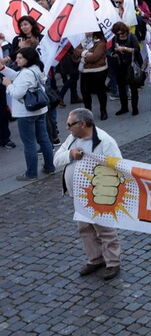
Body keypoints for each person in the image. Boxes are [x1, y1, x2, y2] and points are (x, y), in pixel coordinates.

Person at [53, 108, 123, 280]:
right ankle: (95, 259)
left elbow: (119, 167)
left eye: (70, 124)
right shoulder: (72, 139)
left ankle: (113, 262)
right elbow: (56, 160)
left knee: (105, 229)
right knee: (85, 228)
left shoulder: (105, 142)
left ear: (82, 124)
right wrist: (70, 154)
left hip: (99, 194)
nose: (67, 128)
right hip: (79, 195)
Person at [0, 47, 56, 180]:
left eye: (20, 58)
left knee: (29, 143)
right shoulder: (36, 68)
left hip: (26, 113)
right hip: (40, 110)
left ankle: (31, 173)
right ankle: (49, 167)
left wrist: (8, 85)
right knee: (43, 139)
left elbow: (18, 92)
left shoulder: (26, 73)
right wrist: (3, 69)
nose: (16, 60)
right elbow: (18, 77)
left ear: (28, 59)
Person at [109, 22, 142, 116]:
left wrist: (125, 49)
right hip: (120, 65)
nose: (120, 35)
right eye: (118, 33)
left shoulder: (132, 37)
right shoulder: (115, 38)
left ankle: (135, 108)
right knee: (121, 87)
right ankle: (124, 107)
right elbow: (112, 50)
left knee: (133, 88)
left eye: (122, 33)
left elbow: (137, 50)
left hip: (131, 65)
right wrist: (114, 53)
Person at [74, 31, 109, 121]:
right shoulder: (83, 41)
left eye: (89, 30)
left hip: (98, 71)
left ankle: (103, 111)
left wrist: (82, 54)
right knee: (85, 93)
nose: (86, 32)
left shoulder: (100, 42)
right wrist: (86, 53)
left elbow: (94, 57)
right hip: (85, 71)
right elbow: (75, 52)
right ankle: (88, 113)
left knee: (100, 92)